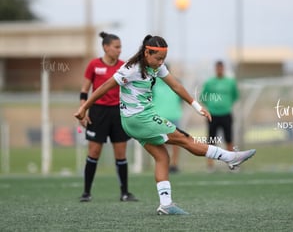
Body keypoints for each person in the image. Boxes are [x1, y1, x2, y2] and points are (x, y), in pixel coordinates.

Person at [74, 34, 256, 215]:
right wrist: (84, 108)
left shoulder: (155, 67)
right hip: (139, 119)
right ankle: (230, 158)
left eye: (164, 59)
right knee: (185, 139)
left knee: (162, 158)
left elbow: (176, 86)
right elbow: (105, 86)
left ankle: (166, 204)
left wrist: (196, 105)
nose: (161, 62)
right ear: (147, 53)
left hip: (137, 120)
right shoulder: (131, 68)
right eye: (158, 58)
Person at [78, 31, 137, 202]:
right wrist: (83, 110)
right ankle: (86, 193)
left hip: (118, 113)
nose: (119, 50)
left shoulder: (124, 66)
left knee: (121, 153)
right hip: (97, 112)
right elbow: (84, 89)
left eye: (120, 47)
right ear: (106, 47)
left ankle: (125, 193)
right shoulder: (94, 65)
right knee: (94, 152)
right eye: (116, 47)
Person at [200, 60, 239, 172]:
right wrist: (212, 106)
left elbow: (235, 96)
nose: (219, 70)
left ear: (224, 68)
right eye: (218, 68)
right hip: (212, 115)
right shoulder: (209, 82)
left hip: (226, 114)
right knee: (211, 140)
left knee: (229, 139)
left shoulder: (230, 82)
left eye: (221, 68)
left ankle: (232, 164)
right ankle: (210, 166)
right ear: (215, 69)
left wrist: (226, 105)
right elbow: (204, 97)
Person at [152, 64, 183, 173]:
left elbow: (181, 98)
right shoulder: (153, 82)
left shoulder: (176, 81)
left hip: (174, 115)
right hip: (160, 117)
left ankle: (174, 164)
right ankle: (164, 163)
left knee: (177, 142)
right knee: (162, 142)